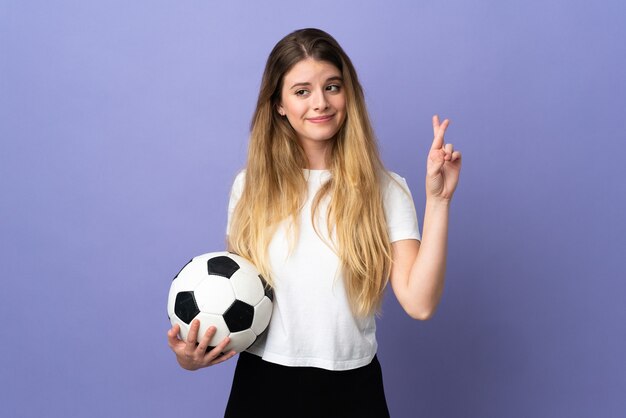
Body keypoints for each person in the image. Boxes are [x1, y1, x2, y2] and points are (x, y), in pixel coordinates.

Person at [167, 28, 462, 417]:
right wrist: (191, 358)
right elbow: (233, 300)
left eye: (332, 87)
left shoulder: (385, 189)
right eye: (302, 91)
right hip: (262, 387)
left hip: (353, 390)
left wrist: (438, 201)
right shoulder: (250, 188)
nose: (320, 103)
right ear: (279, 104)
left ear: (348, 94)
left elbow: (420, 304)